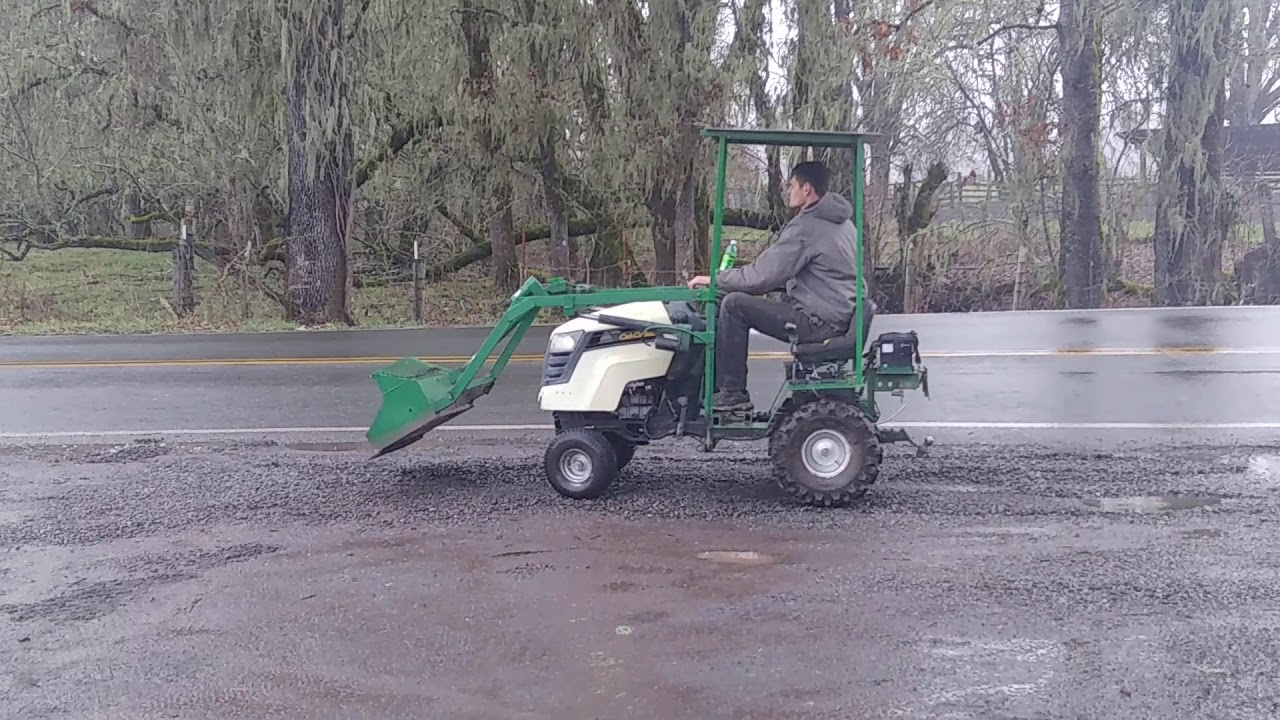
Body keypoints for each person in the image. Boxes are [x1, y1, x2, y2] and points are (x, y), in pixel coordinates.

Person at [687, 160, 865, 412]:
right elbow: (812, 273)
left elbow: (762, 276)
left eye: (792, 185)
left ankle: (732, 393)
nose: (787, 191)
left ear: (807, 190)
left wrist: (715, 279)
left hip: (819, 321)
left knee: (734, 305)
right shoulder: (843, 222)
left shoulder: (808, 226)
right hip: (838, 312)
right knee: (739, 299)